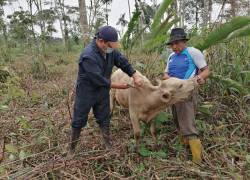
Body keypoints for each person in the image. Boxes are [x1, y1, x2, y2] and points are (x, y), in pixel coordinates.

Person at [69, 26, 143, 154]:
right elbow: (98, 79)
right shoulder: (88, 55)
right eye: (110, 45)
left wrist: (134, 74)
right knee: (79, 120)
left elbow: (122, 62)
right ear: (101, 41)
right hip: (86, 92)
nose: (112, 49)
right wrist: (121, 86)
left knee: (104, 117)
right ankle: (71, 149)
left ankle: (107, 144)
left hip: (102, 92)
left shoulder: (110, 51)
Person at [163, 28, 210, 163]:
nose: (174, 47)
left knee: (187, 123)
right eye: (172, 44)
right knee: (177, 120)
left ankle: (197, 160)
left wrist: (200, 77)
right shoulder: (171, 57)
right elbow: (166, 73)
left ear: (184, 41)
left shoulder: (193, 52)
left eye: (176, 43)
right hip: (174, 93)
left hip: (187, 92)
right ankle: (185, 149)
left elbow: (206, 70)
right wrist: (167, 78)